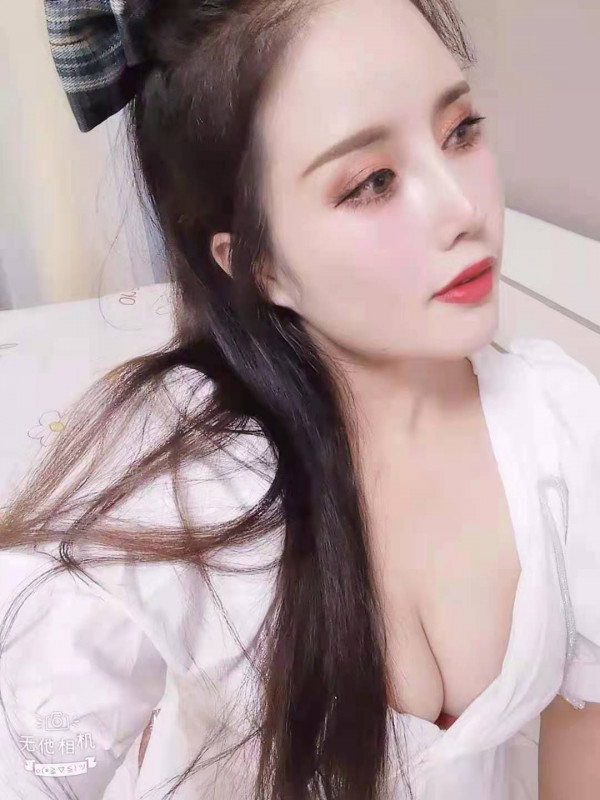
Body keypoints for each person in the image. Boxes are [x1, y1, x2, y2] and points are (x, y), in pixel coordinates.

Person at [1, 0, 599, 797]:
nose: (464, 209)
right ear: (258, 265)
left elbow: (583, 733)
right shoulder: (173, 479)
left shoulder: (561, 422)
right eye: (372, 183)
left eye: (460, 131)